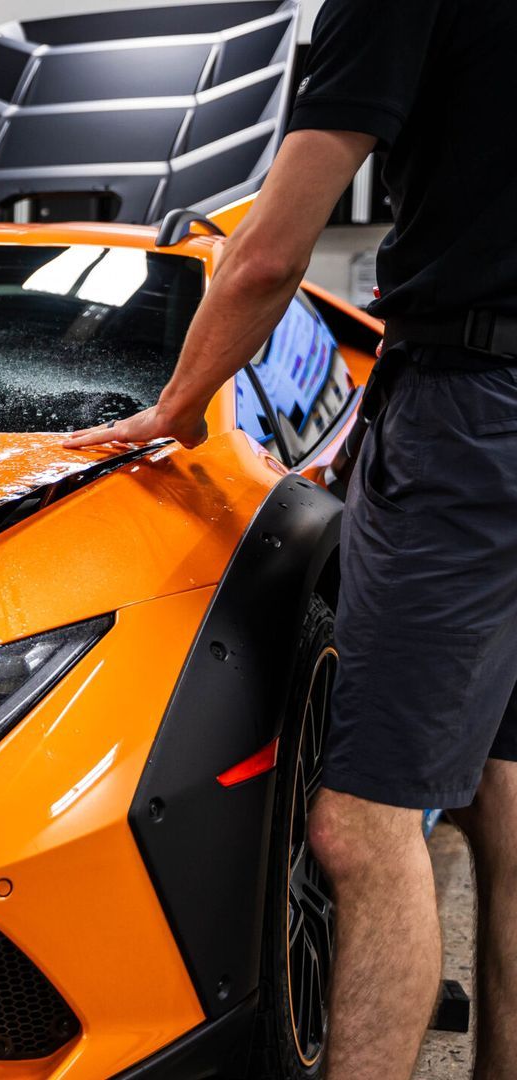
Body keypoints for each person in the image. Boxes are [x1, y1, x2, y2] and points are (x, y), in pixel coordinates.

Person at [66, 0, 516, 1074]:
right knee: (505, 795)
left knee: (362, 830)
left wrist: (174, 408)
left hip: (470, 419)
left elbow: (266, 256)